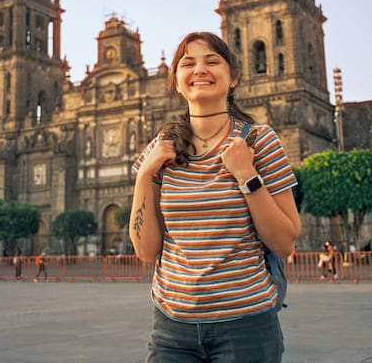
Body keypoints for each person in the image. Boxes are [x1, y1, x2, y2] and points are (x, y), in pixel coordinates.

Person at [129, 31, 301, 363]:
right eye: (187, 63)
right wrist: (145, 175)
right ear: (177, 82)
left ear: (233, 76)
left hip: (246, 327)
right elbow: (146, 251)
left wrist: (246, 175)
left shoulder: (258, 141)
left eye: (212, 61)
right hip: (171, 329)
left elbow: (285, 242)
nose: (199, 70)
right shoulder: (159, 149)